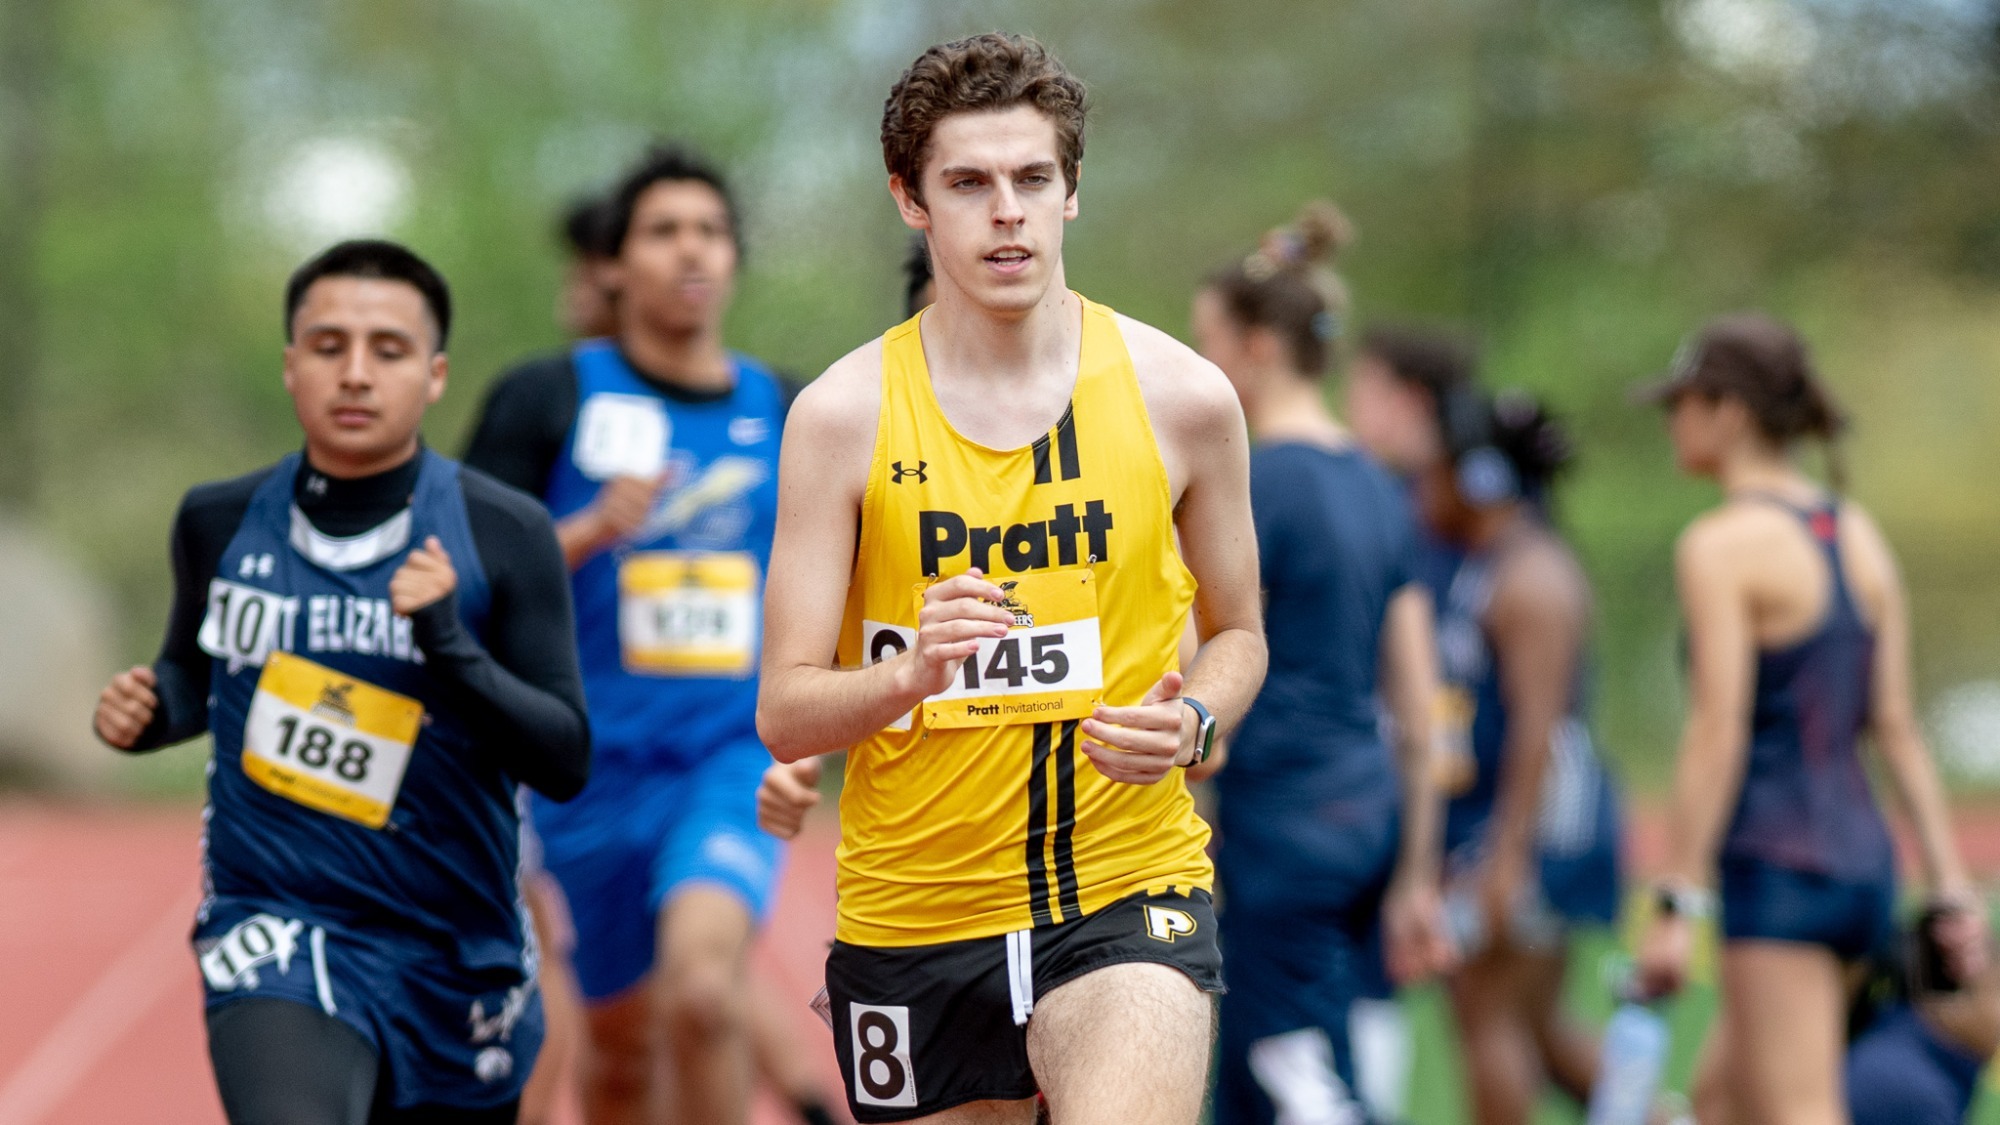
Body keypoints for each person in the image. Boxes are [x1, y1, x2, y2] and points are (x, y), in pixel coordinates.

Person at [755, 32, 1267, 1125]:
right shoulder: (839, 419)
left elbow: (1240, 636)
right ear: (910, 200)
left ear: (1070, 191)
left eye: (1033, 179)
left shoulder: (1183, 398)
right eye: (968, 184)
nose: (1007, 213)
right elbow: (786, 712)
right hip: (916, 913)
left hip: (1127, 885)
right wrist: (908, 673)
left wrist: (1194, 725)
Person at [91, 239, 590, 1125]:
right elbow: (195, 673)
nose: (355, 372)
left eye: (387, 350)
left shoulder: (504, 531)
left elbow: (563, 757)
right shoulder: (218, 520)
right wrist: (153, 707)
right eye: (329, 347)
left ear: (434, 375)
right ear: (292, 366)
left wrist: (448, 644)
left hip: (455, 951)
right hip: (275, 919)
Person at [462, 144, 789, 1125]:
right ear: (612, 265)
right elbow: (463, 577)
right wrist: (589, 529)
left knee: (703, 993)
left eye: (710, 231)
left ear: (734, 258)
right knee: (615, 1051)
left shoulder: (789, 407)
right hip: (580, 772)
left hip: (727, 756)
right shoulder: (547, 399)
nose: (691, 250)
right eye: (662, 231)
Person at [1632, 313, 1984, 1125]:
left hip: (1779, 873)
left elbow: (1716, 731)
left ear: (1729, 412)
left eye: (1682, 404)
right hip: (1863, 870)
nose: (1672, 422)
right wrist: (1948, 885)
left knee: (1798, 1111)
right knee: (1719, 1104)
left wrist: (1674, 902)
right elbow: (1895, 725)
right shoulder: (1855, 533)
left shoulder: (1721, 545)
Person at [1188, 203, 1453, 1125]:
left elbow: (1209, 655)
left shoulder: (1261, 482)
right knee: (1267, 1075)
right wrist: (1416, 868)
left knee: (1297, 1081)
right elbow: (1420, 704)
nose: (1200, 368)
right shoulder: (1380, 488)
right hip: (1366, 816)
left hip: (1281, 821)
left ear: (1259, 347)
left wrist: (1195, 810)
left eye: (1209, 343)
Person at [1413, 379, 1623, 1125]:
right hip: (1510, 822)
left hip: (1538, 826)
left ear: (1476, 479)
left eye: (1431, 471)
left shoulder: (1533, 577)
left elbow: (1540, 726)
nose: (1419, 489)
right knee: (1538, 1028)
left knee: (1489, 1012)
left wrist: (1507, 857)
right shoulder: (1490, 562)